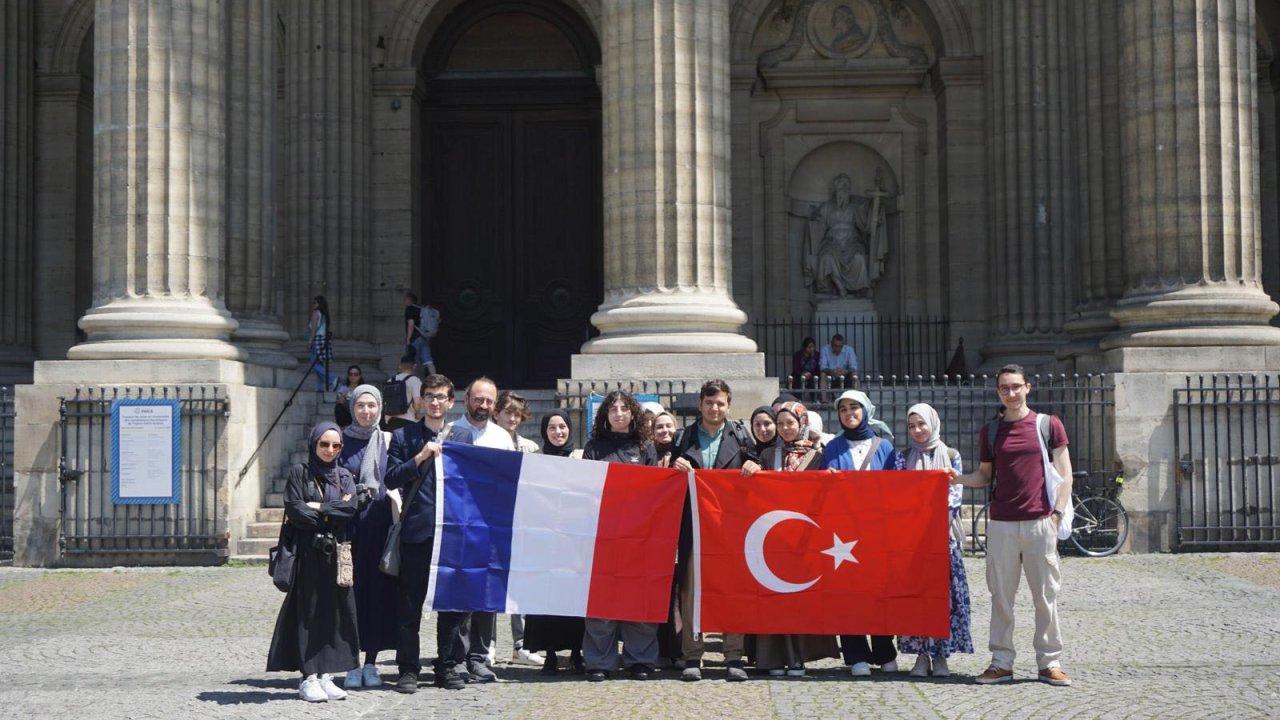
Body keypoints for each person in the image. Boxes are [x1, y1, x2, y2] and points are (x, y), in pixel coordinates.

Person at [951, 364, 1073, 687]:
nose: (1011, 393)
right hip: (1002, 523)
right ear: (998, 392)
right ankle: (1001, 662)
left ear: (1028, 387)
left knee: (1045, 596)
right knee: (1001, 597)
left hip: (1039, 522)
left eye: (1016, 386)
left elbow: (1065, 475)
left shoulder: (1049, 425)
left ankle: (1049, 662)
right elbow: (984, 476)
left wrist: (1057, 515)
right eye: (1004, 388)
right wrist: (957, 479)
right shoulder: (991, 431)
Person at [267, 422, 364, 702]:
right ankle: (308, 676)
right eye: (324, 444)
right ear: (314, 444)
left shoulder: (344, 475)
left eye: (336, 445)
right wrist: (330, 513)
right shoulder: (301, 472)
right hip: (308, 554)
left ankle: (327, 675)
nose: (330, 450)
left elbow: (350, 508)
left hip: (336, 555)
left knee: (336, 613)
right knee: (308, 613)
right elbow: (295, 509)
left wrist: (319, 507)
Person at [671, 380, 760, 682]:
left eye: (720, 403)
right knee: (691, 590)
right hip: (694, 525)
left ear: (728, 405)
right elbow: (668, 475)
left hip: (730, 527)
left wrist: (754, 466)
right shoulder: (684, 437)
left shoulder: (741, 435)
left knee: (730, 589)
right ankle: (693, 656)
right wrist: (675, 464)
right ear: (700, 404)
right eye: (709, 403)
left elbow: (756, 465)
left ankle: (734, 655)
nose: (714, 408)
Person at [384, 374, 467, 693]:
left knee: (450, 605)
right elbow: (390, 479)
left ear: (450, 402)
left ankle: (446, 667)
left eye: (441, 396)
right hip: (416, 531)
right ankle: (408, 669)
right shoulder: (404, 436)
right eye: (429, 396)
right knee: (409, 604)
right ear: (420, 401)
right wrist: (420, 458)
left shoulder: (461, 437)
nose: (434, 402)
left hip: (451, 533)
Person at [753, 401, 839, 676]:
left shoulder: (818, 456)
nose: (785, 428)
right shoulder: (768, 455)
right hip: (773, 535)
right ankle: (774, 658)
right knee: (772, 596)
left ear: (802, 423)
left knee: (798, 597)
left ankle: (798, 657)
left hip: (805, 536)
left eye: (790, 423)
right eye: (781, 424)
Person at [581, 390, 660, 681]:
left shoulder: (645, 447)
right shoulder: (593, 447)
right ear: (605, 416)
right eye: (612, 408)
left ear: (632, 414)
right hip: (603, 535)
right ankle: (599, 660)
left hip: (638, 537)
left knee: (638, 597)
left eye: (623, 408)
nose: (618, 413)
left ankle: (640, 658)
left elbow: (656, 492)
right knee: (601, 601)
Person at [442, 377, 514, 683]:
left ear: (494, 405)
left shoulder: (501, 437)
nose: (482, 405)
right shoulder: (452, 432)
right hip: (458, 525)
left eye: (488, 401)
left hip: (491, 526)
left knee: (487, 594)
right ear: (466, 399)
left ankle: (479, 657)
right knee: (458, 593)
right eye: (477, 399)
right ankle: (456, 657)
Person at [821, 390, 897, 677]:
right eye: (843, 409)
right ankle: (855, 655)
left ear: (866, 410)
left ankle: (884, 651)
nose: (849, 413)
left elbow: (897, 488)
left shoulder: (885, 447)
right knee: (847, 593)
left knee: (879, 592)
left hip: (877, 531)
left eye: (854, 407)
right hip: (842, 533)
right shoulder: (832, 447)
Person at [894, 403, 973, 678]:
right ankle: (921, 655)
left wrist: (932, 524)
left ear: (933, 423)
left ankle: (941, 656)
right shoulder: (902, 457)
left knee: (944, 599)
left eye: (921, 424)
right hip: (912, 542)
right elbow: (899, 497)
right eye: (911, 425)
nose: (917, 430)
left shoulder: (951, 455)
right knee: (917, 599)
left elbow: (955, 493)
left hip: (943, 539)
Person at [337, 385, 396, 690]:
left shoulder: (387, 440)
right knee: (348, 597)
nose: (366, 411)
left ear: (380, 408)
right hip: (349, 529)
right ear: (352, 408)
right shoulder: (339, 440)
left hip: (378, 526)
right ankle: (350, 662)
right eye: (360, 405)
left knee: (375, 595)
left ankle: (371, 662)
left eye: (372, 405)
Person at [522, 410, 587, 675]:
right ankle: (549, 653)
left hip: (574, 540)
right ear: (544, 432)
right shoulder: (536, 461)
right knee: (546, 599)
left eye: (562, 427)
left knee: (574, 599)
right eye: (552, 428)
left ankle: (576, 652)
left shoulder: (582, 459)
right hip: (546, 540)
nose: (558, 432)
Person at [492, 390, 544, 668]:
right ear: (496, 413)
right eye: (507, 412)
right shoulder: (485, 441)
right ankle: (486, 644)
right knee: (489, 579)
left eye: (516, 413)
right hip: (491, 519)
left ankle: (521, 644)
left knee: (521, 584)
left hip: (522, 520)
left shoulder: (529, 447)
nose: (512, 418)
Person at [383, 354, 422, 432]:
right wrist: (417, 413)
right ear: (414, 366)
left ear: (400, 366)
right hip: (407, 420)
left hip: (390, 421)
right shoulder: (415, 380)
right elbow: (417, 402)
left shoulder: (390, 380)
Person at [404, 291, 439, 376]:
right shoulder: (421, 309)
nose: (404, 301)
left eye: (405, 299)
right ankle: (436, 380)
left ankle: (412, 381)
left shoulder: (410, 309)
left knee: (411, 361)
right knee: (428, 361)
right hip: (424, 337)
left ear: (409, 299)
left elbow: (411, 324)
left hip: (415, 338)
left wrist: (408, 339)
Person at [495, 390, 542, 455]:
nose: (512, 419)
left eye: (517, 415)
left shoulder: (531, 448)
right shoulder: (484, 443)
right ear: (496, 415)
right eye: (508, 413)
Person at [308, 296, 337, 392]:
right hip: (324, 340)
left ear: (319, 304)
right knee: (319, 364)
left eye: (315, 303)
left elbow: (314, 330)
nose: (313, 304)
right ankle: (319, 388)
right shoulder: (325, 315)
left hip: (317, 340)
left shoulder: (316, 313)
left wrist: (310, 341)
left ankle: (332, 378)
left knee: (313, 363)